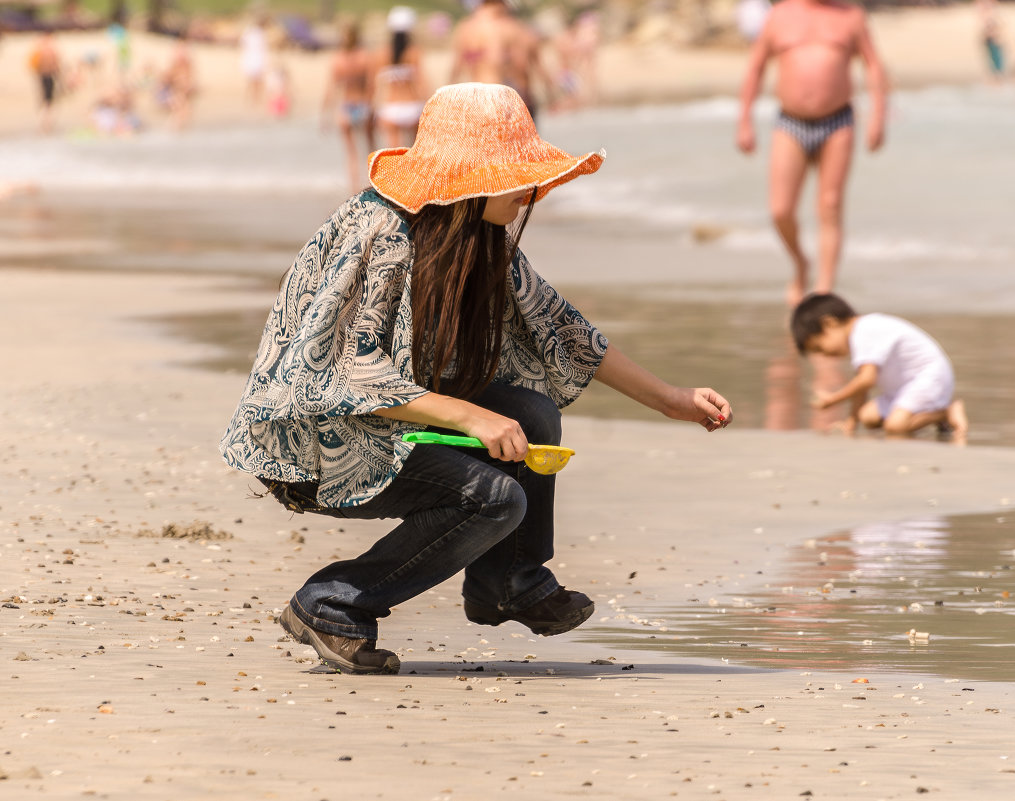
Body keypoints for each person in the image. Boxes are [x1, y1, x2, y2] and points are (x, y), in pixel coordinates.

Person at [218, 83, 734, 676]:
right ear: (477, 179)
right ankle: (331, 602)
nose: (532, 191)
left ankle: (507, 581)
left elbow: (562, 328)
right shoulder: (380, 232)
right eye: (520, 175)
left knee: (533, 416)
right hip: (317, 441)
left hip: (384, 419)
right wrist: (471, 416)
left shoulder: (482, 236)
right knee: (493, 498)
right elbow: (344, 372)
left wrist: (672, 400)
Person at [736, 0, 888, 306]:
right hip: (790, 122)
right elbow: (756, 67)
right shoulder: (779, 16)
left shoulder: (851, 16)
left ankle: (823, 291)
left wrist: (878, 117)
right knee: (780, 210)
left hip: (838, 121)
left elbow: (873, 65)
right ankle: (801, 263)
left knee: (830, 206)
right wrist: (744, 121)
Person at [790, 293, 967, 440]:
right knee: (867, 417)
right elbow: (862, 387)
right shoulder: (859, 337)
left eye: (820, 347)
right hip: (906, 387)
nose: (825, 355)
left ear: (830, 323)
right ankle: (929, 417)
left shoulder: (864, 331)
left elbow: (867, 380)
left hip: (929, 377)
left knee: (895, 426)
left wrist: (833, 399)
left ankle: (946, 413)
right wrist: (851, 423)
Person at [450, 0, 554, 124]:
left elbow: (457, 66)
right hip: (503, 93)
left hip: (478, 96)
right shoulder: (508, 27)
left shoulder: (464, 29)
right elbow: (518, 63)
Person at [323, 21, 376, 191]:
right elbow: (371, 86)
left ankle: (354, 189)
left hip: (346, 107)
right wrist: (371, 106)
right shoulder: (364, 57)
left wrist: (325, 114)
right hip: (362, 105)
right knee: (370, 148)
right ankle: (372, 185)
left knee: (351, 153)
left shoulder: (338, 60)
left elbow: (331, 89)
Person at [374, 6, 427, 148]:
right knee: (415, 153)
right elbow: (421, 83)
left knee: (394, 152)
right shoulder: (413, 52)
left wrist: (375, 109)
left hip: (391, 108)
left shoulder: (382, 53)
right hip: (412, 107)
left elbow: (377, 84)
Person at [28, 33, 62, 134]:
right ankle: (46, 123)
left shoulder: (39, 51)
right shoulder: (48, 51)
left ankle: (44, 122)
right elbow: (56, 66)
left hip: (42, 76)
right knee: (48, 101)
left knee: (44, 99)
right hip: (49, 77)